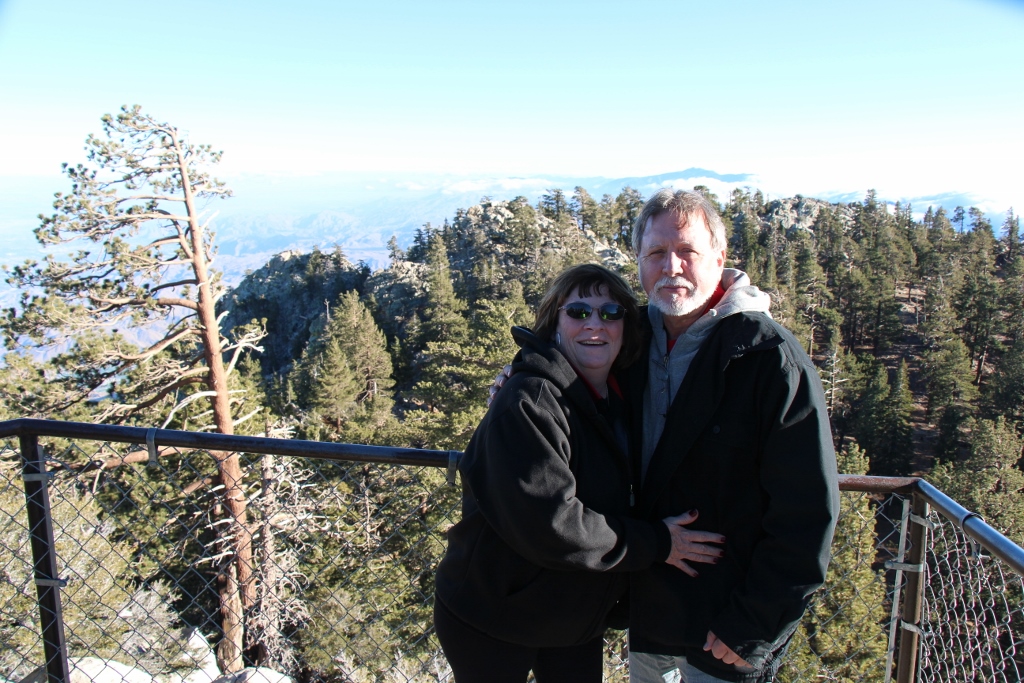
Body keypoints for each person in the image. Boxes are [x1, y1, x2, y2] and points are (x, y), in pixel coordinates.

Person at [489, 190, 839, 683]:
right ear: (638, 262)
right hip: (651, 610)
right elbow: (567, 355)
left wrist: (756, 625)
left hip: (727, 622)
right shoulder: (631, 335)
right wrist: (516, 376)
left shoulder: (768, 358)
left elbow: (807, 509)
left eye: (687, 252)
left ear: (719, 257)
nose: (670, 266)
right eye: (655, 254)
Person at [434, 263, 726, 683]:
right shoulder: (529, 400)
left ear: (627, 326)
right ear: (554, 322)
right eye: (578, 312)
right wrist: (658, 542)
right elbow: (551, 522)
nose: (595, 324)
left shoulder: (620, 394)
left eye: (611, 313)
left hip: (573, 617)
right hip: (495, 615)